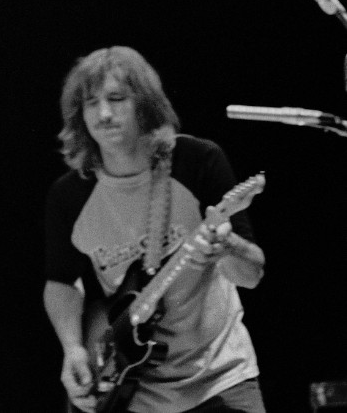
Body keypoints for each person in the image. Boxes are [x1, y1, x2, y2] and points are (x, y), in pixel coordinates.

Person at [42, 46, 266, 413]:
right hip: (131, 391)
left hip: (220, 378)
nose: (104, 114)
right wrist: (73, 349)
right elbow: (60, 282)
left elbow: (252, 275)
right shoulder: (69, 195)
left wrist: (228, 248)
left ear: (144, 105)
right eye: (91, 103)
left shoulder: (197, 162)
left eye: (117, 99)